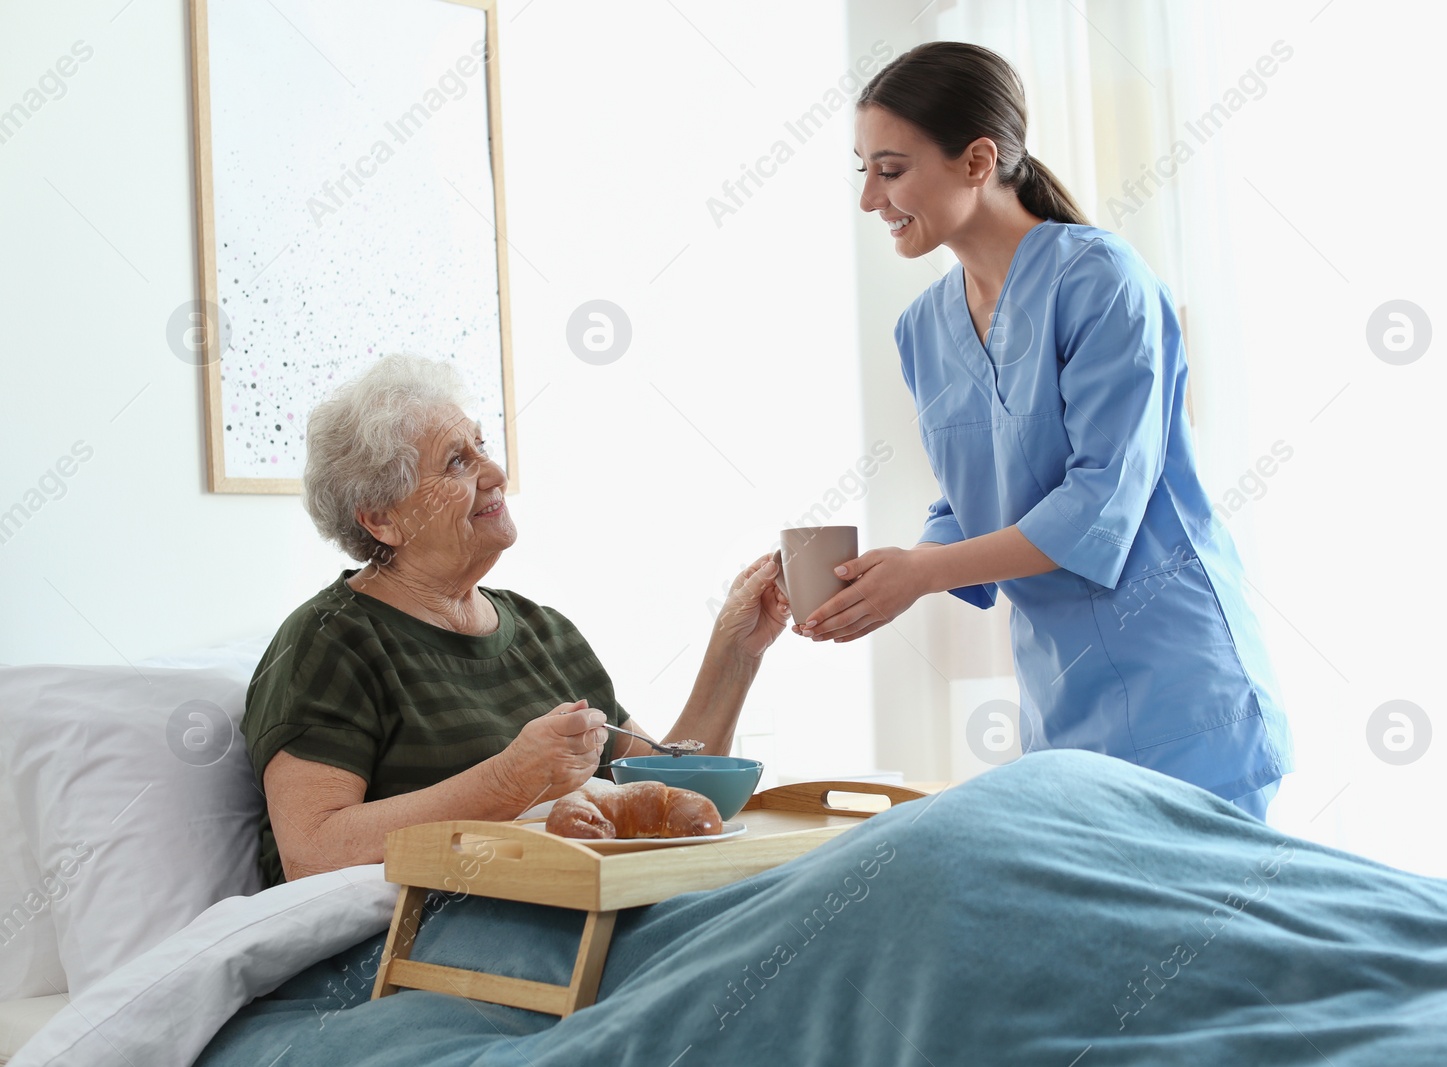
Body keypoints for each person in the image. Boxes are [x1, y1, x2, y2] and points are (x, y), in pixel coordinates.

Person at [799, 42, 1291, 817]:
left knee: (1207, 934)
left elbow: (1099, 501)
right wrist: (884, 584)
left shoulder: (1102, 283)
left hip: (1180, 689)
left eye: (890, 170)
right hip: (1061, 704)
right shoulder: (923, 330)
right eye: (861, 170)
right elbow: (973, 502)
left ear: (977, 160)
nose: (870, 200)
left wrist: (923, 573)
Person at [242, 355, 787, 884]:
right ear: (383, 518)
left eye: (480, 446)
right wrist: (511, 780)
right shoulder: (331, 640)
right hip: (431, 940)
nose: (496, 473)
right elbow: (312, 853)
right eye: (457, 462)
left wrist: (737, 652)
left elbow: (675, 805)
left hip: (598, 910)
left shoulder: (543, 632)